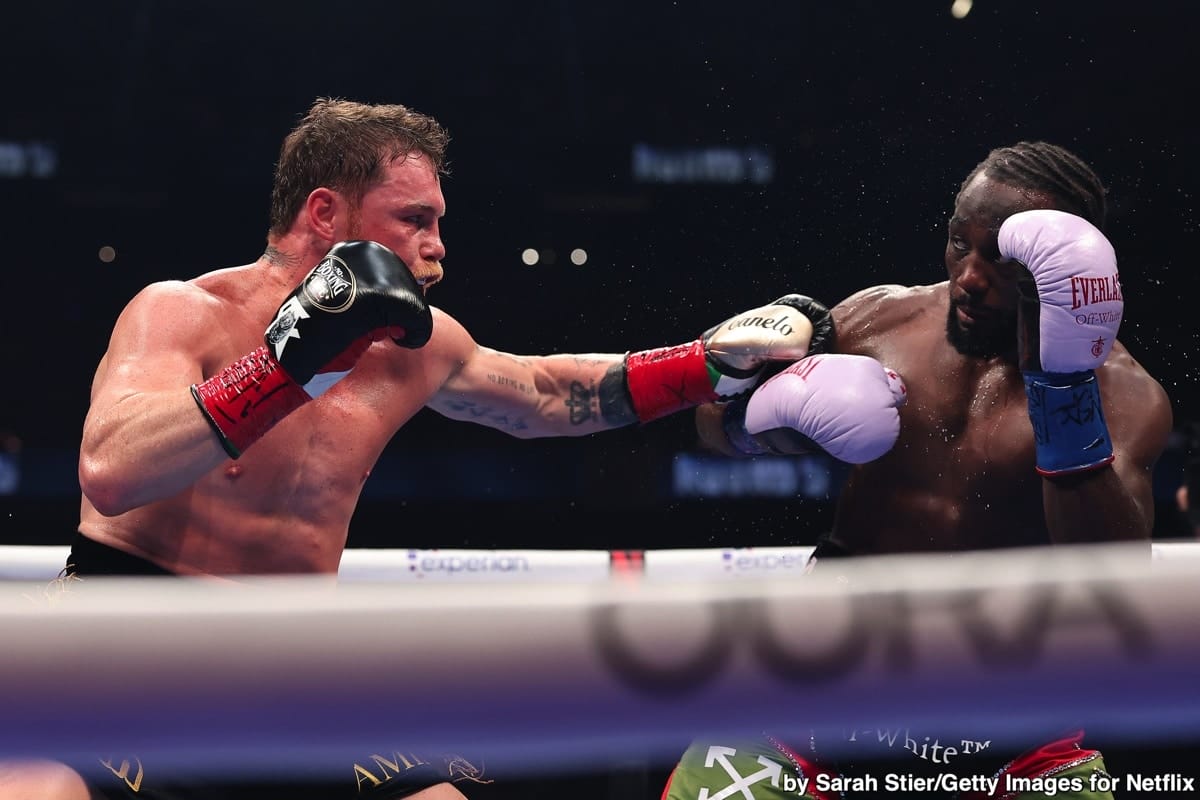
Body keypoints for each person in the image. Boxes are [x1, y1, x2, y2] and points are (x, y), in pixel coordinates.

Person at [3, 97, 839, 800]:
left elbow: (550, 394)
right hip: (123, 634)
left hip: (288, 659)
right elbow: (112, 471)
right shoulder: (183, 311)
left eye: (438, 222)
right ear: (325, 213)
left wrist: (704, 364)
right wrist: (286, 367)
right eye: (415, 220)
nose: (437, 245)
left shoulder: (417, 346)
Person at [661, 141, 1173, 800]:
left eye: (1002, 260)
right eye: (960, 243)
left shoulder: (1122, 395)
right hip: (813, 699)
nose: (969, 278)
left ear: (1065, 268)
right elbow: (713, 432)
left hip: (1012, 738)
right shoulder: (878, 321)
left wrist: (1061, 394)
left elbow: (1114, 574)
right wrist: (754, 420)